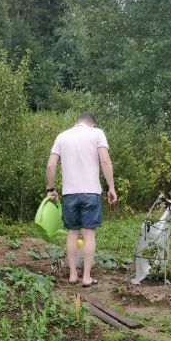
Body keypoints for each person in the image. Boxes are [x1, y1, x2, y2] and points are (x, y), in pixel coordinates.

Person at [45, 111, 117, 287]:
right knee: (89, 234)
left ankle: (72, 275)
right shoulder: (97, 133)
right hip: (90, 192)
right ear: (92, 123)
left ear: (77, 122)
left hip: (70, 193)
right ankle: (86, 277)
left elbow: (51, 164)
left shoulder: (62, 136)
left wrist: (50, 189)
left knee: (72, 233)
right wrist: (111, 188)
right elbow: (105, 161)